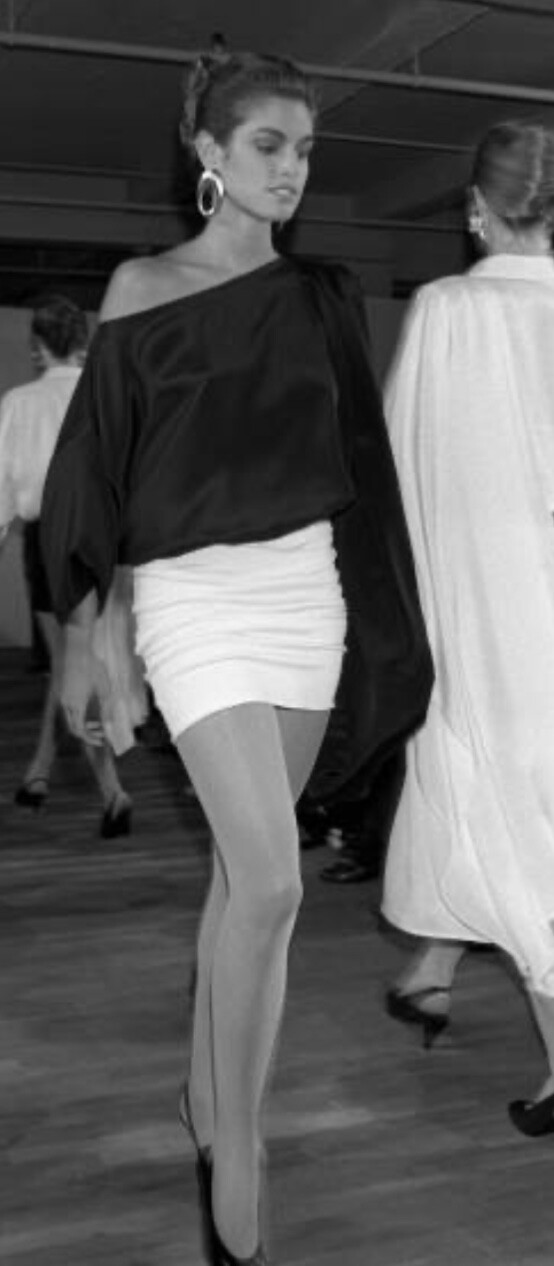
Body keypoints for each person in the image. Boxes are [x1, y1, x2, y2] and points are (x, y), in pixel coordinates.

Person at [40, 48, 431, 1264]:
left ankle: (203, 1099)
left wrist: (398, 618)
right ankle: (240, 1150)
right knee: (271, 884)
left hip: (303, 596)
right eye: (267, 144)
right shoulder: (142, 286)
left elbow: (359, 464)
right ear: (208, 152)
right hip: (193, 602)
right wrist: (91, 633)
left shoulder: (322, 295)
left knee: (236, 881)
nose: (291, 169)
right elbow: (96, 466)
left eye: (305, 150)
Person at [381, 119, 554, 1137]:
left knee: (507, 813)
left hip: (494, 622)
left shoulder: (449, 308)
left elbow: (400, 469)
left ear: (474, 210)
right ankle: (432, 969)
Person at [0, 293, 141, 836]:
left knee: (71, 664)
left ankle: (112, 791)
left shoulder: (20, 401)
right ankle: (38, 773)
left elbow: (4, 487)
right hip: (106, 541)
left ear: (38, 346)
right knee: (71, 664)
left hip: (48, 542)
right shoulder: (102, 396)